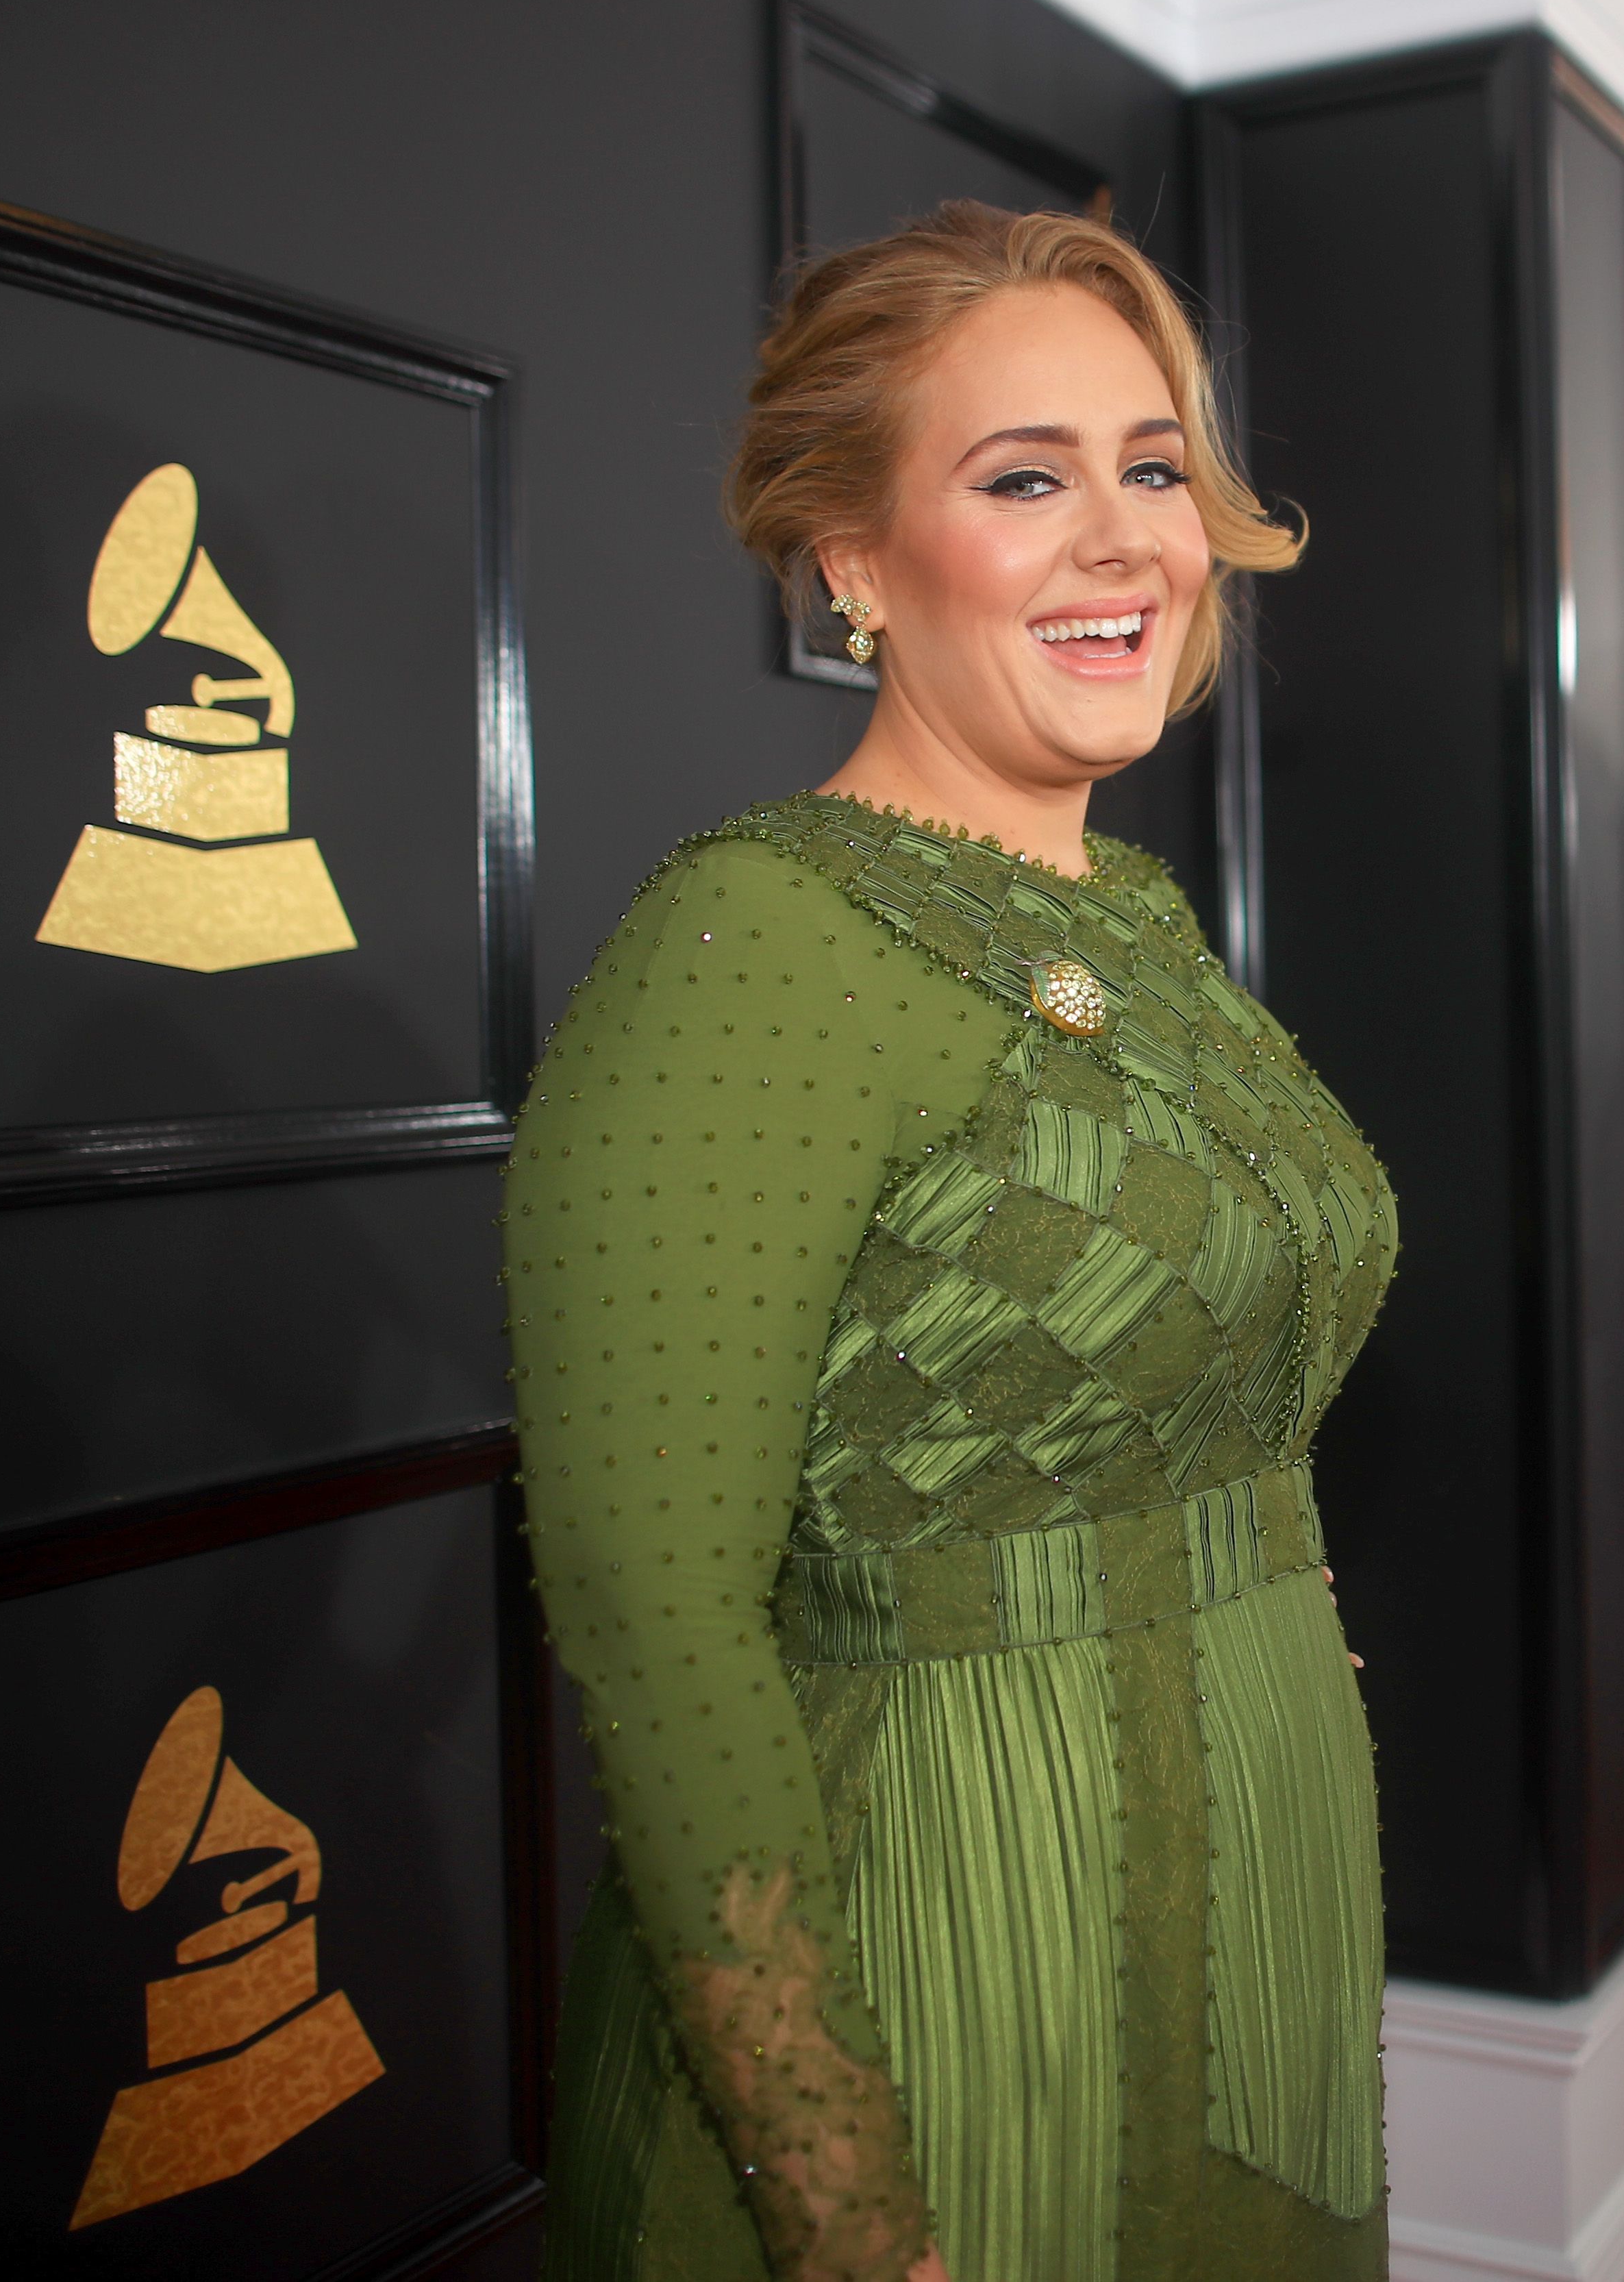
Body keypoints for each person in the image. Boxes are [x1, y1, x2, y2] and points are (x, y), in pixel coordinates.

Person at [505, 203, 1396, 2282]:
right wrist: (840, 2199)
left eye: (1152, 468)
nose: (1125, 541)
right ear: (851, 557)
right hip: (944, 1961)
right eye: (1025, 479)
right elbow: (656, 1626)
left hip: (1256, 1926)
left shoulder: (1147, 930)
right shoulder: (758, 944)